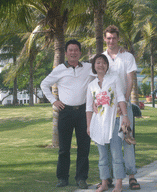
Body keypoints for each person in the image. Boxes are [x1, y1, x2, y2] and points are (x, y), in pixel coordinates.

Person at [40, 39, 94, 189]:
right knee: (64, 148)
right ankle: (62, 178)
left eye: (76, 50)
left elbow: (104, 69)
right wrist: (53, 101)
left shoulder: (88, 67)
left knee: (84, 147)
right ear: (65, 53)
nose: (73, 53)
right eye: (70, 50)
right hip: (65, 112)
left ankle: (81, 178)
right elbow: (44, 84)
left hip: (84, 112)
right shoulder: (59, 69)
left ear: (80, 52)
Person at [100, 25, 141, 190]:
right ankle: (109, 178)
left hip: (124, 107)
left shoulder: (127, 56)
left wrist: (123, 102)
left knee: (127, 140)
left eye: (114, 38)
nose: (111, 41)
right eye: (108, 38)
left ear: (118, 38)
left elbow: (130, 79)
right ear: (105, 39)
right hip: (107, 109)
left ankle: (131, 176)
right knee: (108, 142)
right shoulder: (101, 58)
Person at [86, 54, 130, 192]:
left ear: (107, 66)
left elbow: (121, 97)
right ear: (94, 66)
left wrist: (125, 115)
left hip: (115, 120)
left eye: (104, 63)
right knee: (102, 156)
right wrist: (88, 125)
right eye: (98, 63)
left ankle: (118, 184)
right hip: (98, 123)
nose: (101, 65)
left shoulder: (114, 79)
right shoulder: (91, 85)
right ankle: (104, 183)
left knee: (116, 153)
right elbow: (88, 107)